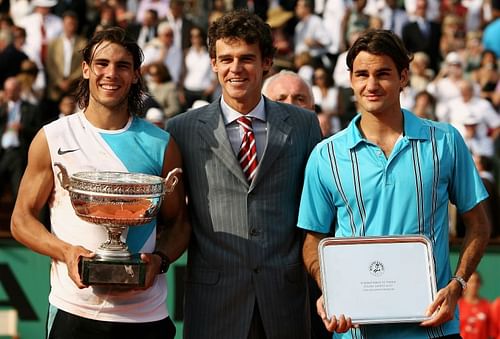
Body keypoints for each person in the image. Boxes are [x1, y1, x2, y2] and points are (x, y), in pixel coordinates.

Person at [297, 29, 491, 338]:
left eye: (383, 74)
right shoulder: (325, 155)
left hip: (434, 328)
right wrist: (331, 289)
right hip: (353, 329)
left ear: (403, 77)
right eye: (361, 74)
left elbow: (479, 225)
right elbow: (312, 240)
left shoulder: (445, 141)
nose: (371, 85)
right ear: (350, 80)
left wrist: (458, 285)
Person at [10, 27, 190, 339]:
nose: (111, 74)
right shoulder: (53, 137)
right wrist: (66, 252)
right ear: (85, 69)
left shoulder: (161, 144)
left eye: (122, 66)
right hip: (73, 311)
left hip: (145, 316)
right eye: (102, 64)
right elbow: (21, 220)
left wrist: (159, 261)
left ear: (135, 75)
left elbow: (179, 223)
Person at [166, 10, 322, 339]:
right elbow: (174, 215)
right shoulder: (182, 130)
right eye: (226, 58)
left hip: (286, 299)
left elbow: (319, 212)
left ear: (267, 62)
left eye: (246, 58)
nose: (235, 68)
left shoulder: (304, 125)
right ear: (213, 63)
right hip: (214, 301)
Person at [261, 69, 331, 339]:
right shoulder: (248, 160)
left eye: (300, 98)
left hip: (321, 286)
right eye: (282, 97)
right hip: (266, 286)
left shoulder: (334, 157)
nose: (291, 104)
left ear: (312, 109)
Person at [0, 76, 41, 199]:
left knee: (17, 190)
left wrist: (23, 128)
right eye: (7, 90)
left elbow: (38, 131)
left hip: (19, 152)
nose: (9, 93)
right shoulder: (2, 107)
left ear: (19, 90)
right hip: (2, 152)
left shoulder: (31, 108)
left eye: (12, 90)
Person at [457, 272, 491, 339]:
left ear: (480, 284)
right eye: (471, 282)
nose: (474, 285)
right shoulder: (457, 305)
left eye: (476, 282)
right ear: (465, 285)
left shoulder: (487, 305)